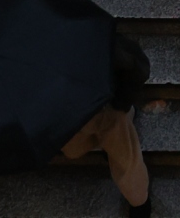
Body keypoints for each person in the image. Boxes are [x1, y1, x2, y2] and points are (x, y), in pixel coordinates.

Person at [60, 30, 153, 217]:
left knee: (125, 159)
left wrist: (120, 103)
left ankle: (140, 201)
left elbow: (137, 65)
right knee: (73, 148)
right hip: (73, 112)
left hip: (105, 108)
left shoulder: (93, 41)